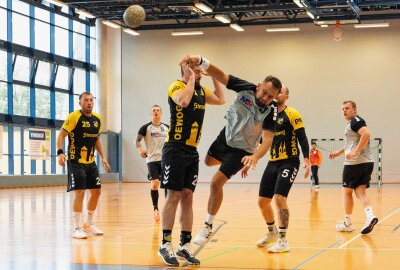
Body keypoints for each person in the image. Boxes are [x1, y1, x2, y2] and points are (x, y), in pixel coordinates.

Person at [180, 55, 282, 247]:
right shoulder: (246, 87)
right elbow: (222, 76)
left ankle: (207, 226)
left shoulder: (271, 110)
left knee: (215, 183)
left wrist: (255, 156)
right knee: (208, 162)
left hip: (243, 150)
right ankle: (229, 165)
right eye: (265, 93)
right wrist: (201, 61)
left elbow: (268, 139)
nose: (266, 98)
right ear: (259, 86)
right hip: (225, 137)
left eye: (271, 97)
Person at [158, 58, 225, 267]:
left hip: (191, 150)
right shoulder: (176, 86)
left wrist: (213, 75)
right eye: (195, 71)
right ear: (186, 71)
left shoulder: (201, 91)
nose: (198, 74)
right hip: (174, 149)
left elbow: (221, 99)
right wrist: (189, 79)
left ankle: (184, 245)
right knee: (174, 195)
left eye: (199, 71)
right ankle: (165, 244)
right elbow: (183, 102)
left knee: (188, 196)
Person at [252, 86, 310, 253]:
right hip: (272, 162)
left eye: (281, 92)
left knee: (279, 198)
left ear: (287, 96)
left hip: (289, 162)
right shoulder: (268, 114)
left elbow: (302, 138)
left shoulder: (293, 114)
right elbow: (262, 139)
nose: (277, 95)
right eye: (276, 92)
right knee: (262, 201)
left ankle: (283, 241)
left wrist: (306, 159)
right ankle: (272, 233)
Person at [57, 92, 111, 239]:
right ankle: (76, 227)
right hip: (76, 161)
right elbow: (61, 135)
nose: (89, 102)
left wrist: (103, 158)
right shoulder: (74, 117)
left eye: (91, 100)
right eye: (86, 100)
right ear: (80, 103)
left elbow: (97, 139)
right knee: (80, 192)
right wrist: (60, 153)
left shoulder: (97, 119)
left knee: (96, 192)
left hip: (90, 162)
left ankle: (89, 223)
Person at [329, 100, 378, 234]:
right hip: (367, 162)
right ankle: (370, 216)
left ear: (354, 110)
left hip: (354, 163)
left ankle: (348, 223)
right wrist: (339, 153)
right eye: (342, 109)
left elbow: (366, 134)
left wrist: (355, 152)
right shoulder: (351, 125)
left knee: (346, 191)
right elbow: (350, 143)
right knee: (360, 192)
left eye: (347, 108)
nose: (344, 111)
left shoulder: (355, 120)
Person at [136, 105, 169, 222]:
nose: (156, 112)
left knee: (166, 184)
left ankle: (167, 208)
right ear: (151, 113)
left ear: (161, 113)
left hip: (165, 159)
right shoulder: (146, 128)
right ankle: (155, 209)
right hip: (152, 160)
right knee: (155, 184)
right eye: (154, 110)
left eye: (158, 110)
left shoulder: (166, 127)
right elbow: (137, 141)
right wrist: (140, 150)